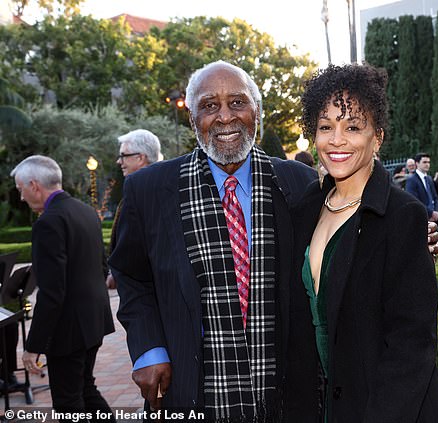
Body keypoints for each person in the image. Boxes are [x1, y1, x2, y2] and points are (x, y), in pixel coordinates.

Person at [108, 61, 319, 420]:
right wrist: (149, 350)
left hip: (284, 392)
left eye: (237, 103)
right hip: (190, 389)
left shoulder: (300, 183)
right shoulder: (149, 190)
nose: (224, 117)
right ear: (193, 118)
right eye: (209, 105)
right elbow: (132, 277)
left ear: (257, 112)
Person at [290, 63, 438, 422]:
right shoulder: (306, 207)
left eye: (352, 127)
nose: (336, 140)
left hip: (387, 409)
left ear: (376, 137)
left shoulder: (402, 216)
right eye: (325, 127)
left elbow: (412, 344)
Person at [11, 155, 115, 422]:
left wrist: (33, 346)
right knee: (85, 389)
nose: (21, 198)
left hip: (69, 330)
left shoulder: (48, 223)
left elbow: (52, 292)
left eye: (21, 189)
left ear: (34, 185)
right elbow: (102, 268)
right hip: (94, 321)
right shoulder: (85, 212)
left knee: (69, 401)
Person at [106, 129, 162, 289]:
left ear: (140, 157)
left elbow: (133, 244)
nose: (119, 161)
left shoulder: (142, 193)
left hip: (143, 292)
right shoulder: (161, 187)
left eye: (123, 155)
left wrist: (117, 274)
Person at [405, 152, 438, 222]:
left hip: (433, 218)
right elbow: (414, 200)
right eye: (424, 162)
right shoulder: (412, 180)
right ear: (417, 163)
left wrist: (436, 211)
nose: (427, 164)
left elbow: (435, 197)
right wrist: (430, 213)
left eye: (428, 162)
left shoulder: (429, 179)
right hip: (420, 218)